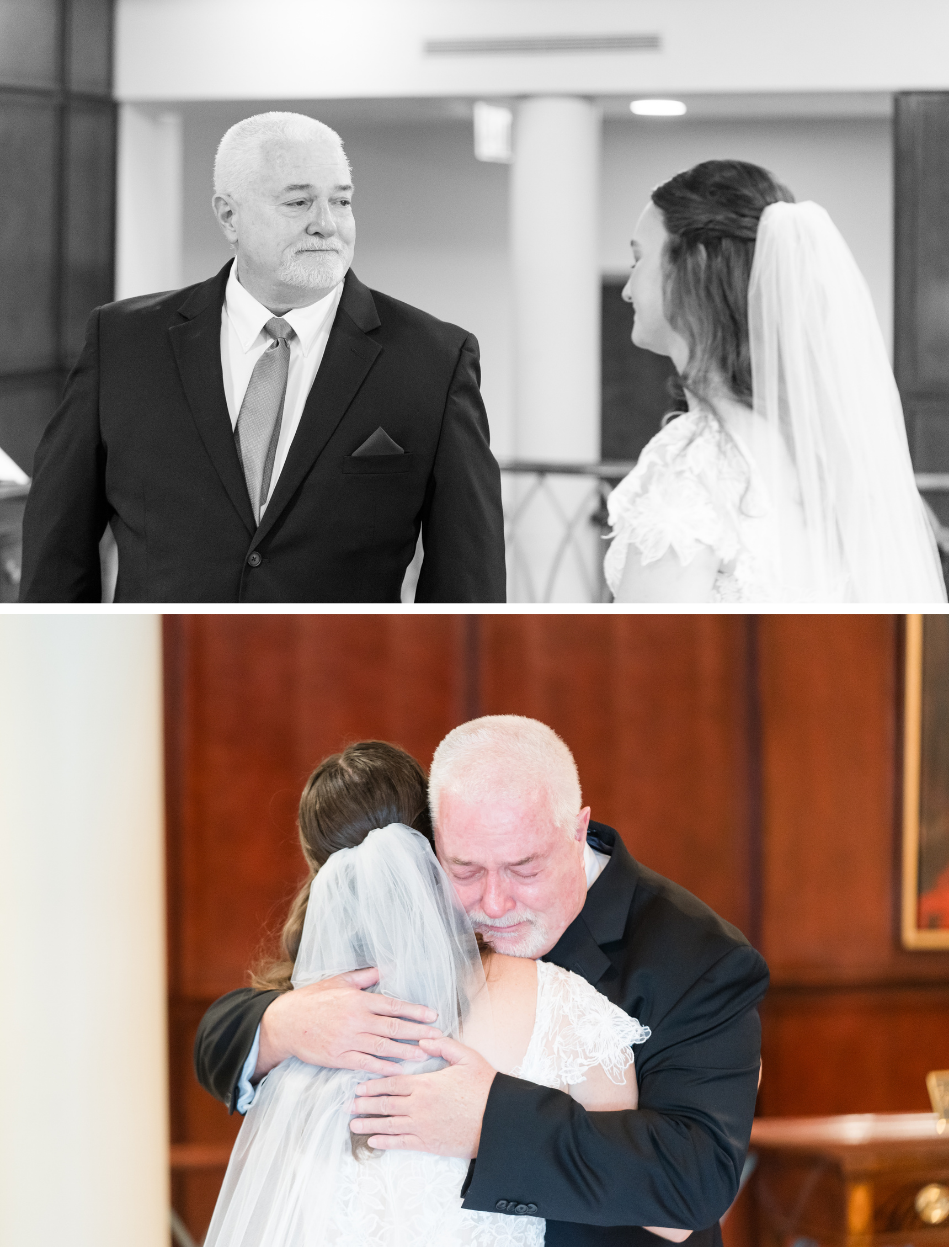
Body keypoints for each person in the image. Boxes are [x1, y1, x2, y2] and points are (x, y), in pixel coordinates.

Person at [195, 716, 769, 1247]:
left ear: (578, 829)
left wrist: (490, 1122)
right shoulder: (408, 923)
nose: (494, 903)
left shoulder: (700, 959)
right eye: (464, 870)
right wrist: (279, 1024)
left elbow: (696, 1180)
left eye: (526, 868)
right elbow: (218, 1040)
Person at [19, 112, 505, 604]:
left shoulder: (434, 360)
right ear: (229, 216)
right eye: (299, 202)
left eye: (341, 200)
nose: (327, 224)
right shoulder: (122, 342)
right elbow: (57, 552)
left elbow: (469, 586)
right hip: (159, 675)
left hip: (351, 679)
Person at [607, 159, 947, 603]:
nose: (627, 289)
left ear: (692, 267)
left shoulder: (695, 461)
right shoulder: (823, 450)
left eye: (639, 259)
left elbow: (646, 659)